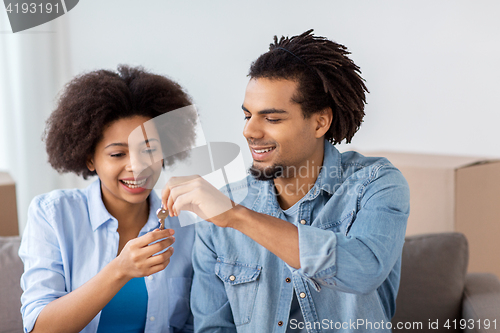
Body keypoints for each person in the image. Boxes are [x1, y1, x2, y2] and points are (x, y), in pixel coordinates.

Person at [161, 30, 410, 332]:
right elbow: (214, 327)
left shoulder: (375, 184)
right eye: (247, 115)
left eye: (272, 119)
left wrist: (237, 217)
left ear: (320, 122)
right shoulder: (219, 218)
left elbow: (363, 270)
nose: (250, 132)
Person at [19, 65, 197, 333]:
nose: (137, 167)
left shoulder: (187, 221)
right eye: (117, 154)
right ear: (90, 158)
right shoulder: (53, 215)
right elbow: (39, 328)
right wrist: (120, 270)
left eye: (149, 150)